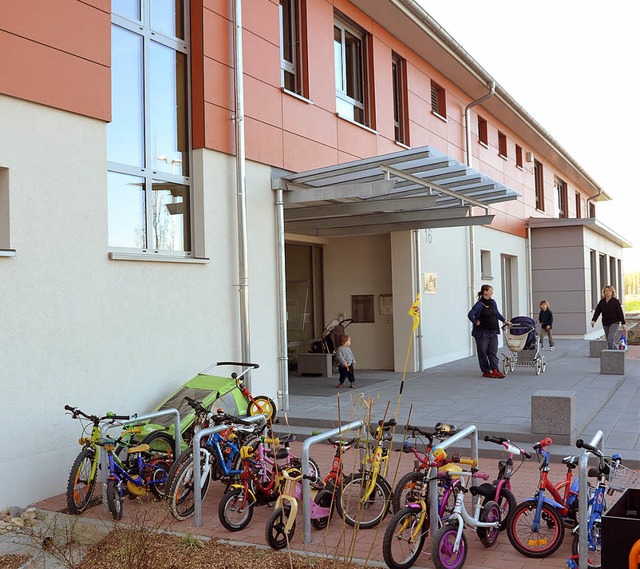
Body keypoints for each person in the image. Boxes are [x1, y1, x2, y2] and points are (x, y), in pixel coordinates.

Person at [468, 285, 512, 378]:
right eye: (490, 291)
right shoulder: (479, 304)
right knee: (483, 351)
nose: (492, 292)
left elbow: (497, 313)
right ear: (485, 292)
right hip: (482, 332)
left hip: (493, 331)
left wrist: (505, 321)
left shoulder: (493, 302)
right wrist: (476, 322)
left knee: (492, 351)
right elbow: (470, 314)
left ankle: (495, 370)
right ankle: (486, 371)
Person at [591, 285, 627, 350]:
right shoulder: (602, 302)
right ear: (604, 292)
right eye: (606, 291)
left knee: (610, 338)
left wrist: (623, 323)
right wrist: (594, 320)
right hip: (605, 323)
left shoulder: (615, 301)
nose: (607, 292)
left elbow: (620, 312)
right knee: (609, 340)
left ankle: (610, 355)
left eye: (609, 291)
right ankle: (617, 352)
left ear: (612, 292)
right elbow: (597, 311)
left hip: (614, 322)